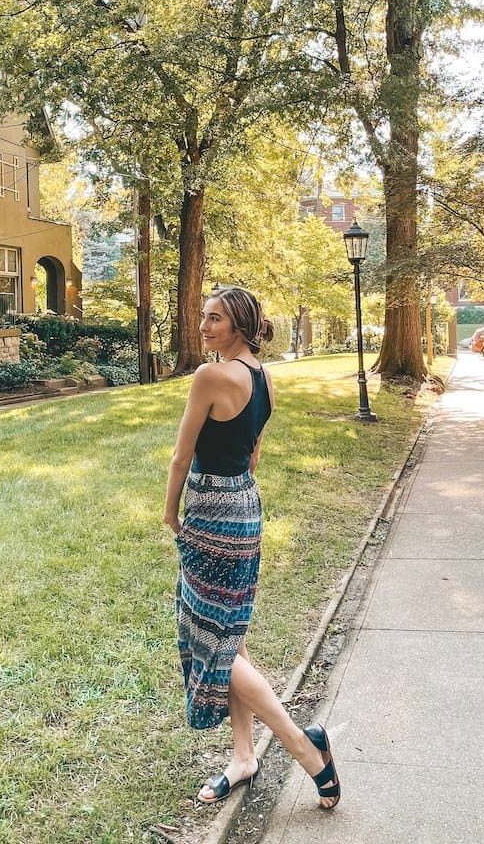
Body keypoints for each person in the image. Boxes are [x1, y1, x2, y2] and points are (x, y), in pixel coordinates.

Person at [163, 285, 340, 809]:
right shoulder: (264, 378)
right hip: (245, 505)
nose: (204, 326)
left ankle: (303, 747)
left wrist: (171, 512)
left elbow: (181, 457)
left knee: (207, 633)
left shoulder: (210, 376)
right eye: (204, 316)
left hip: (210, 512)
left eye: (215, 318)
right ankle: (243, 757)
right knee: (229, 633)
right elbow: (254, 454)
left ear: (238, 325)